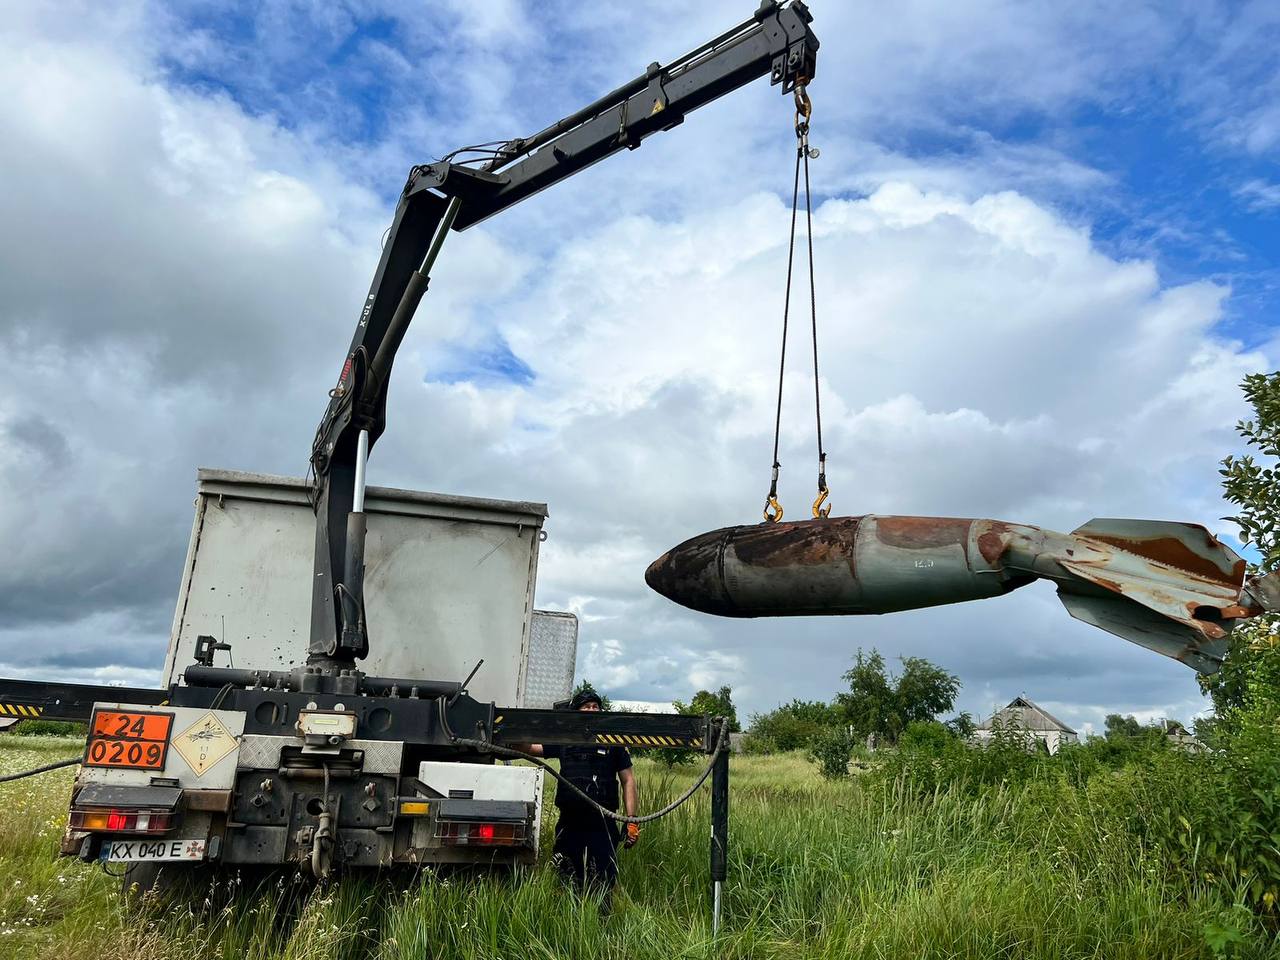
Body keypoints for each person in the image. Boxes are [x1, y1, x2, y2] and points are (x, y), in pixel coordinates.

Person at [521, 688, 639, 903]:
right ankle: (568, 916)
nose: (592, 710)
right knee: (566, 871)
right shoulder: (565, 739)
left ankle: (601, 921)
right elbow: (530, 748)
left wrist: (632, 821)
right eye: (586, 707)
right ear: (576, 712)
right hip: (571, 820)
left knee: (604, 875)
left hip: (603, 821)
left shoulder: (614, 743)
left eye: (596, 706)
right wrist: (515, 729)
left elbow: (628, 780)